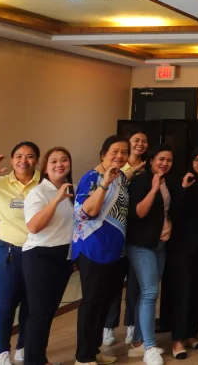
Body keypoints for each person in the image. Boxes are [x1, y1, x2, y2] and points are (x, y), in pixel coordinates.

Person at [73, 136, 130, 365]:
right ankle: (83, 357)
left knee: (104, 302)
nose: (119, 156)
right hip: (93, 247)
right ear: (103, 155)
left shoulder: (122, 178)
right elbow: (89, 212)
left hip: (114, 250)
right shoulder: (92, 177)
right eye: (114, 151)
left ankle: (93, 350)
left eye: (124, 152)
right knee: (91, 302)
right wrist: (105, 183)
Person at [21, 147, 73, 365]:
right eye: (53, 161)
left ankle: (40, 358)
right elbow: (34, 227)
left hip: (63, 256)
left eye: (64, 160)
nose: (59, 164)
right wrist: (56, 200)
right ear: (45, 168)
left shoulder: (70, 189)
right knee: (39, 313)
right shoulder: (38, 192)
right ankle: (33, 361)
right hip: (40, 256)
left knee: (49, 311)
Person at [126, 146, 176, 365]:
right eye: (161, 159)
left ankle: (138, 342)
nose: (164, 163)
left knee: (146, 293)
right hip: (141, 244)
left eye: (169, 160)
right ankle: (149, 347)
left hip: (160, 243)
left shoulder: (167, 181)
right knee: (149, 292)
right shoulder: (141, 181)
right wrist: (153, 189)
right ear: (151, 160)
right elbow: (139, 212)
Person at [0, 142, 40, 365]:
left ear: (36, 160)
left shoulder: (45, 183)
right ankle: (2, 352)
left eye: (30, 156)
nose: (24, 160)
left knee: (31, 303)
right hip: (8, 251)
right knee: (5, 304)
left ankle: (23, 346)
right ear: (11, 160)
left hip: (38, 253)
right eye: (19, 156)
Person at [169, 148, 198, 358]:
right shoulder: (185, 181)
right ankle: (177, 340)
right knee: (183, 291)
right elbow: (174, 212)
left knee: (197, 290)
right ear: (191, 162)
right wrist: (182, 189)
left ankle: (191, 334)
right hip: (184, 244)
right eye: (197, 160)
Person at [104, 130, 150, 348]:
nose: (140, 144)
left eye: (144, 141)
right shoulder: (115, 167)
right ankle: (108, 326)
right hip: (115, 233)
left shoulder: (149, 169)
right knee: (113, 282)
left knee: (135, 284)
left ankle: (132, 324)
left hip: (138, 233)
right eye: (135, 140)